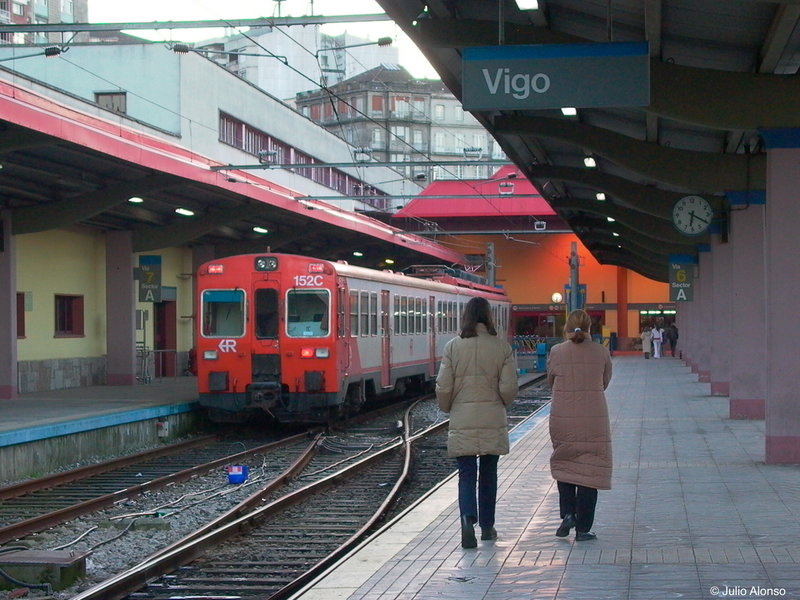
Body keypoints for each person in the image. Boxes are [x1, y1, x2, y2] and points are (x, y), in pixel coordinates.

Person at [436, 297, 519, 549]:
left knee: (466, 474)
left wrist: (448, 407)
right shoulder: (501, 348)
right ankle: (487, 527)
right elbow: (509, 388)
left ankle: (465, 519)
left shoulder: (452, 347)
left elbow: (443, 386)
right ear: (488, 317)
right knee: (489, 474)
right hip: (492, 417)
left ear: (466, 317)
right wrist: (502, 401)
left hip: (463, 418)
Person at [547, 309, 613, 542]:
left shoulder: (556, 352)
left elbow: (550, 380)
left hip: (562, 417)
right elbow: (604, 382)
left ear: (567, 328)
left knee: (565, 464)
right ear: (589, 329)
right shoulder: (601, 352)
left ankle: (567, 514)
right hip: (593, 418)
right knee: (590, 470)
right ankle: (583, 528)